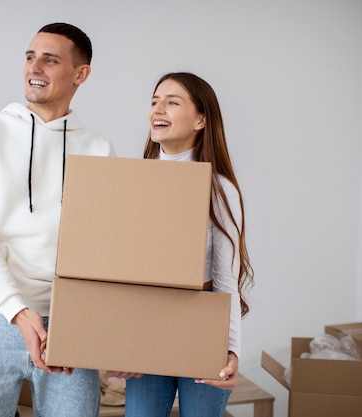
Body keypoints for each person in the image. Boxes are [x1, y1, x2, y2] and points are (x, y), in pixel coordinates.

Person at [0, 23, 115, 417]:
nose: (34, 66)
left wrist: (87, 323)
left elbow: (100, 248)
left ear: (80, 74)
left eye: (50, 59)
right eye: (29, 56)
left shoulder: (99, 149)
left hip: (68, 323)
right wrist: (17, 310)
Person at [121, 72, 254, 417]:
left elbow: (226, 279)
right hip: (148, 316)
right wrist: (119, 342)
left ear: (201, 119)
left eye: (171, 102)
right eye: (154, 101)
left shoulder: (220, 188)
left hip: (201, 316)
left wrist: (231, 350)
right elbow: (121, 270)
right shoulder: (134, 181)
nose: (157, 109)